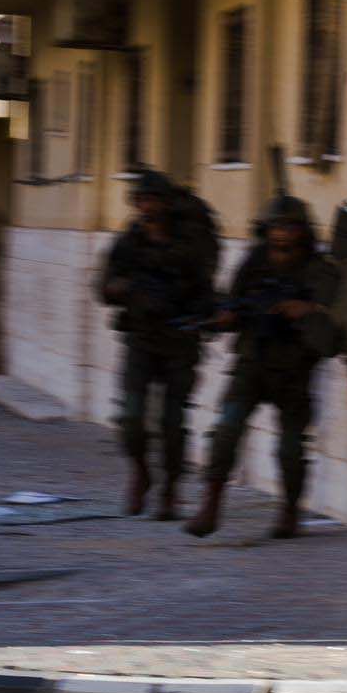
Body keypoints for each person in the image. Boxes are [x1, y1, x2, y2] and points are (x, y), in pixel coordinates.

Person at [184, 196, 339, 540]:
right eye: (276, 227)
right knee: (226, 429)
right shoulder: (254, 261)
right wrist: (226, 317)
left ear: (303, 231)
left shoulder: (318, 269)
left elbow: (334, 318)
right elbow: (233, 301)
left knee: (290, 447)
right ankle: (210, 504)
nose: (281, 235)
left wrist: (306, 310)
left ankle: (290, 511)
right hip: (252, 362)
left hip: (295, 369)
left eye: (289, 227)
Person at [98, 169, 218, 520]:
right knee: (131, 416)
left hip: (180, 342)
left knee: (172, 422)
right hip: (141, 341)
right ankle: (141, 472)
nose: (147, 207)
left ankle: (171, 489)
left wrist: (197, 314)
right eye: (142, 200)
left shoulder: (189, 245)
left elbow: (206, 288)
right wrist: (124, 288)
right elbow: (103, 289)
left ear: (166, 204)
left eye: (153, 200)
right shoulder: (129, 242)